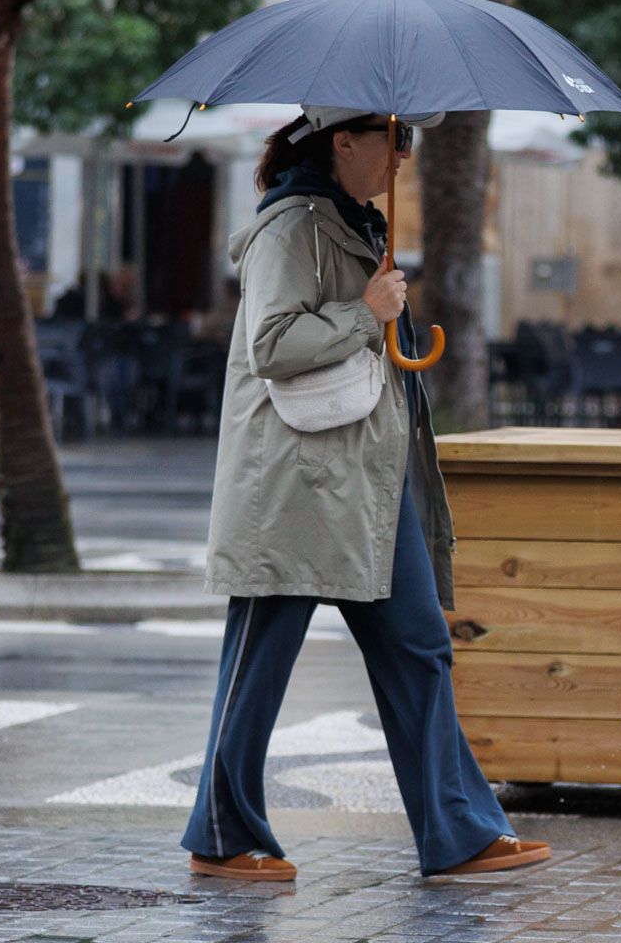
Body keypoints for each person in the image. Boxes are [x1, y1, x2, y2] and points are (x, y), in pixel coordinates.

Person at [181, 104, 549, 882]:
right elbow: (273, 345)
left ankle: (459, 833)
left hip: (368, 487)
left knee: (421, 647)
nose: (405, 154)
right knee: (258, 663)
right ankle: (219, 834)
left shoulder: (356, 225)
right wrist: (366, 313)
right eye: (394, 137)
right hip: (293, 484)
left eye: (410, 139)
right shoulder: (291, 226)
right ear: (343, 140)